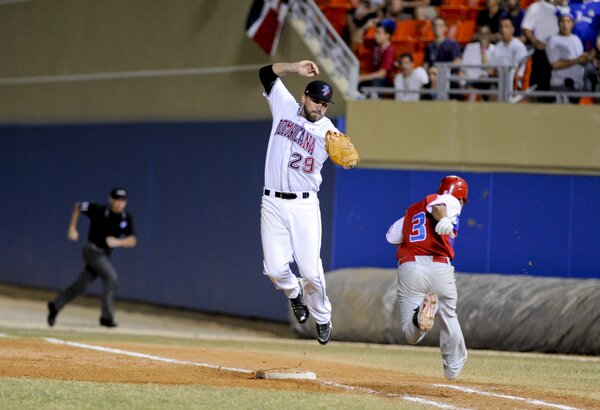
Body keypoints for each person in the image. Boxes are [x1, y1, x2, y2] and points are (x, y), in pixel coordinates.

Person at [258, 60, 347, 345]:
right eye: (316, 100)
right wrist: (295, 68)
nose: (320, 106)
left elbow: (347, 157)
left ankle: (322, 317)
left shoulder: (328, 132)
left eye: (325, 103)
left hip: (304, 206)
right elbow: (265, 74)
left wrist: (345, 159)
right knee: (274, 269)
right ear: (303, 97)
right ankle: (293, 293)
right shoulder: (284, 106)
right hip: (271, 201)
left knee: (310, 271)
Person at [386, 175, 469, 381]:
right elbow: (440, 206)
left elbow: (391, 237)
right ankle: (452, 365)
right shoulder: (448, 201)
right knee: (449, 316)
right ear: (459, 197)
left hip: (411, 267)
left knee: (410, 334)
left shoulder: (411, 210)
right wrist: (443, 219)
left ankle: (418, 319)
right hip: (440, 267)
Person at [47, 188, 137, 328]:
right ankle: (106, 318)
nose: (119, 203)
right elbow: (78, 206)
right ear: (111, 200)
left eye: (122, 201)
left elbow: (132, 240)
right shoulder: (99, 210)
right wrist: (72, 227)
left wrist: (117, 242)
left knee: (81, 284)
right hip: (92, 250)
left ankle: (55, 305)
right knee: (111, 277)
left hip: (105, 255)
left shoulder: (126, 217)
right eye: (117, 200)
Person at [522, 0, 560, 102]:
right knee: (542, 87)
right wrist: (535, 41)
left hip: (561, 52)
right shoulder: (536, 7)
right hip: (543, 53)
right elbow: (526, 27)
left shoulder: (564, 6)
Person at [546, 10, 588, 102]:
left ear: (572, 24)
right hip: (561, 85)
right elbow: (555, 64)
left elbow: (580, 60)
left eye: (568, 21)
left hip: (578, 85)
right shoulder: (553, 40)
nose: (565, 24)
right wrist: (577, 60)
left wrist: (585, 59)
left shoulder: (576, 39)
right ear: (558, 23)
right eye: (562, 21)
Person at [488, 17, 529, 95]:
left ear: (513, 29)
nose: (503, 30)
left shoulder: (519, 46)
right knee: (486, 84)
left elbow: (516, 70)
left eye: (507, 26)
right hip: (500, 80)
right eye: (501, 27)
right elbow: (492, 68)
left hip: (516, 82)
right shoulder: (497, 46)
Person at [358, 18, 397, 92]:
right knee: (360, 84)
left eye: (378, 33)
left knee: (376, 82)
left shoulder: (390, 50)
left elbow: (382, 74)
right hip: (374, 76)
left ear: (387, 35)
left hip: (386, 81)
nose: (375, 35)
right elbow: (357, 39)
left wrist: (362, 77)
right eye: (376, 32)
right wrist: (365, 27)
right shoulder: (375, 43)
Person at [461, 25, 496, 101]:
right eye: (481, 33)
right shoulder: (470, 47)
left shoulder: (495, 49)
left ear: (490, 35)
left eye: (486, 33)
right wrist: (463, 84)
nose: (484, 36)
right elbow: (463, 69)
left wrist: (483, 50)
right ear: (478, 35)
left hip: (486, 82)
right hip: (470, 81)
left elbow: (489, 70)